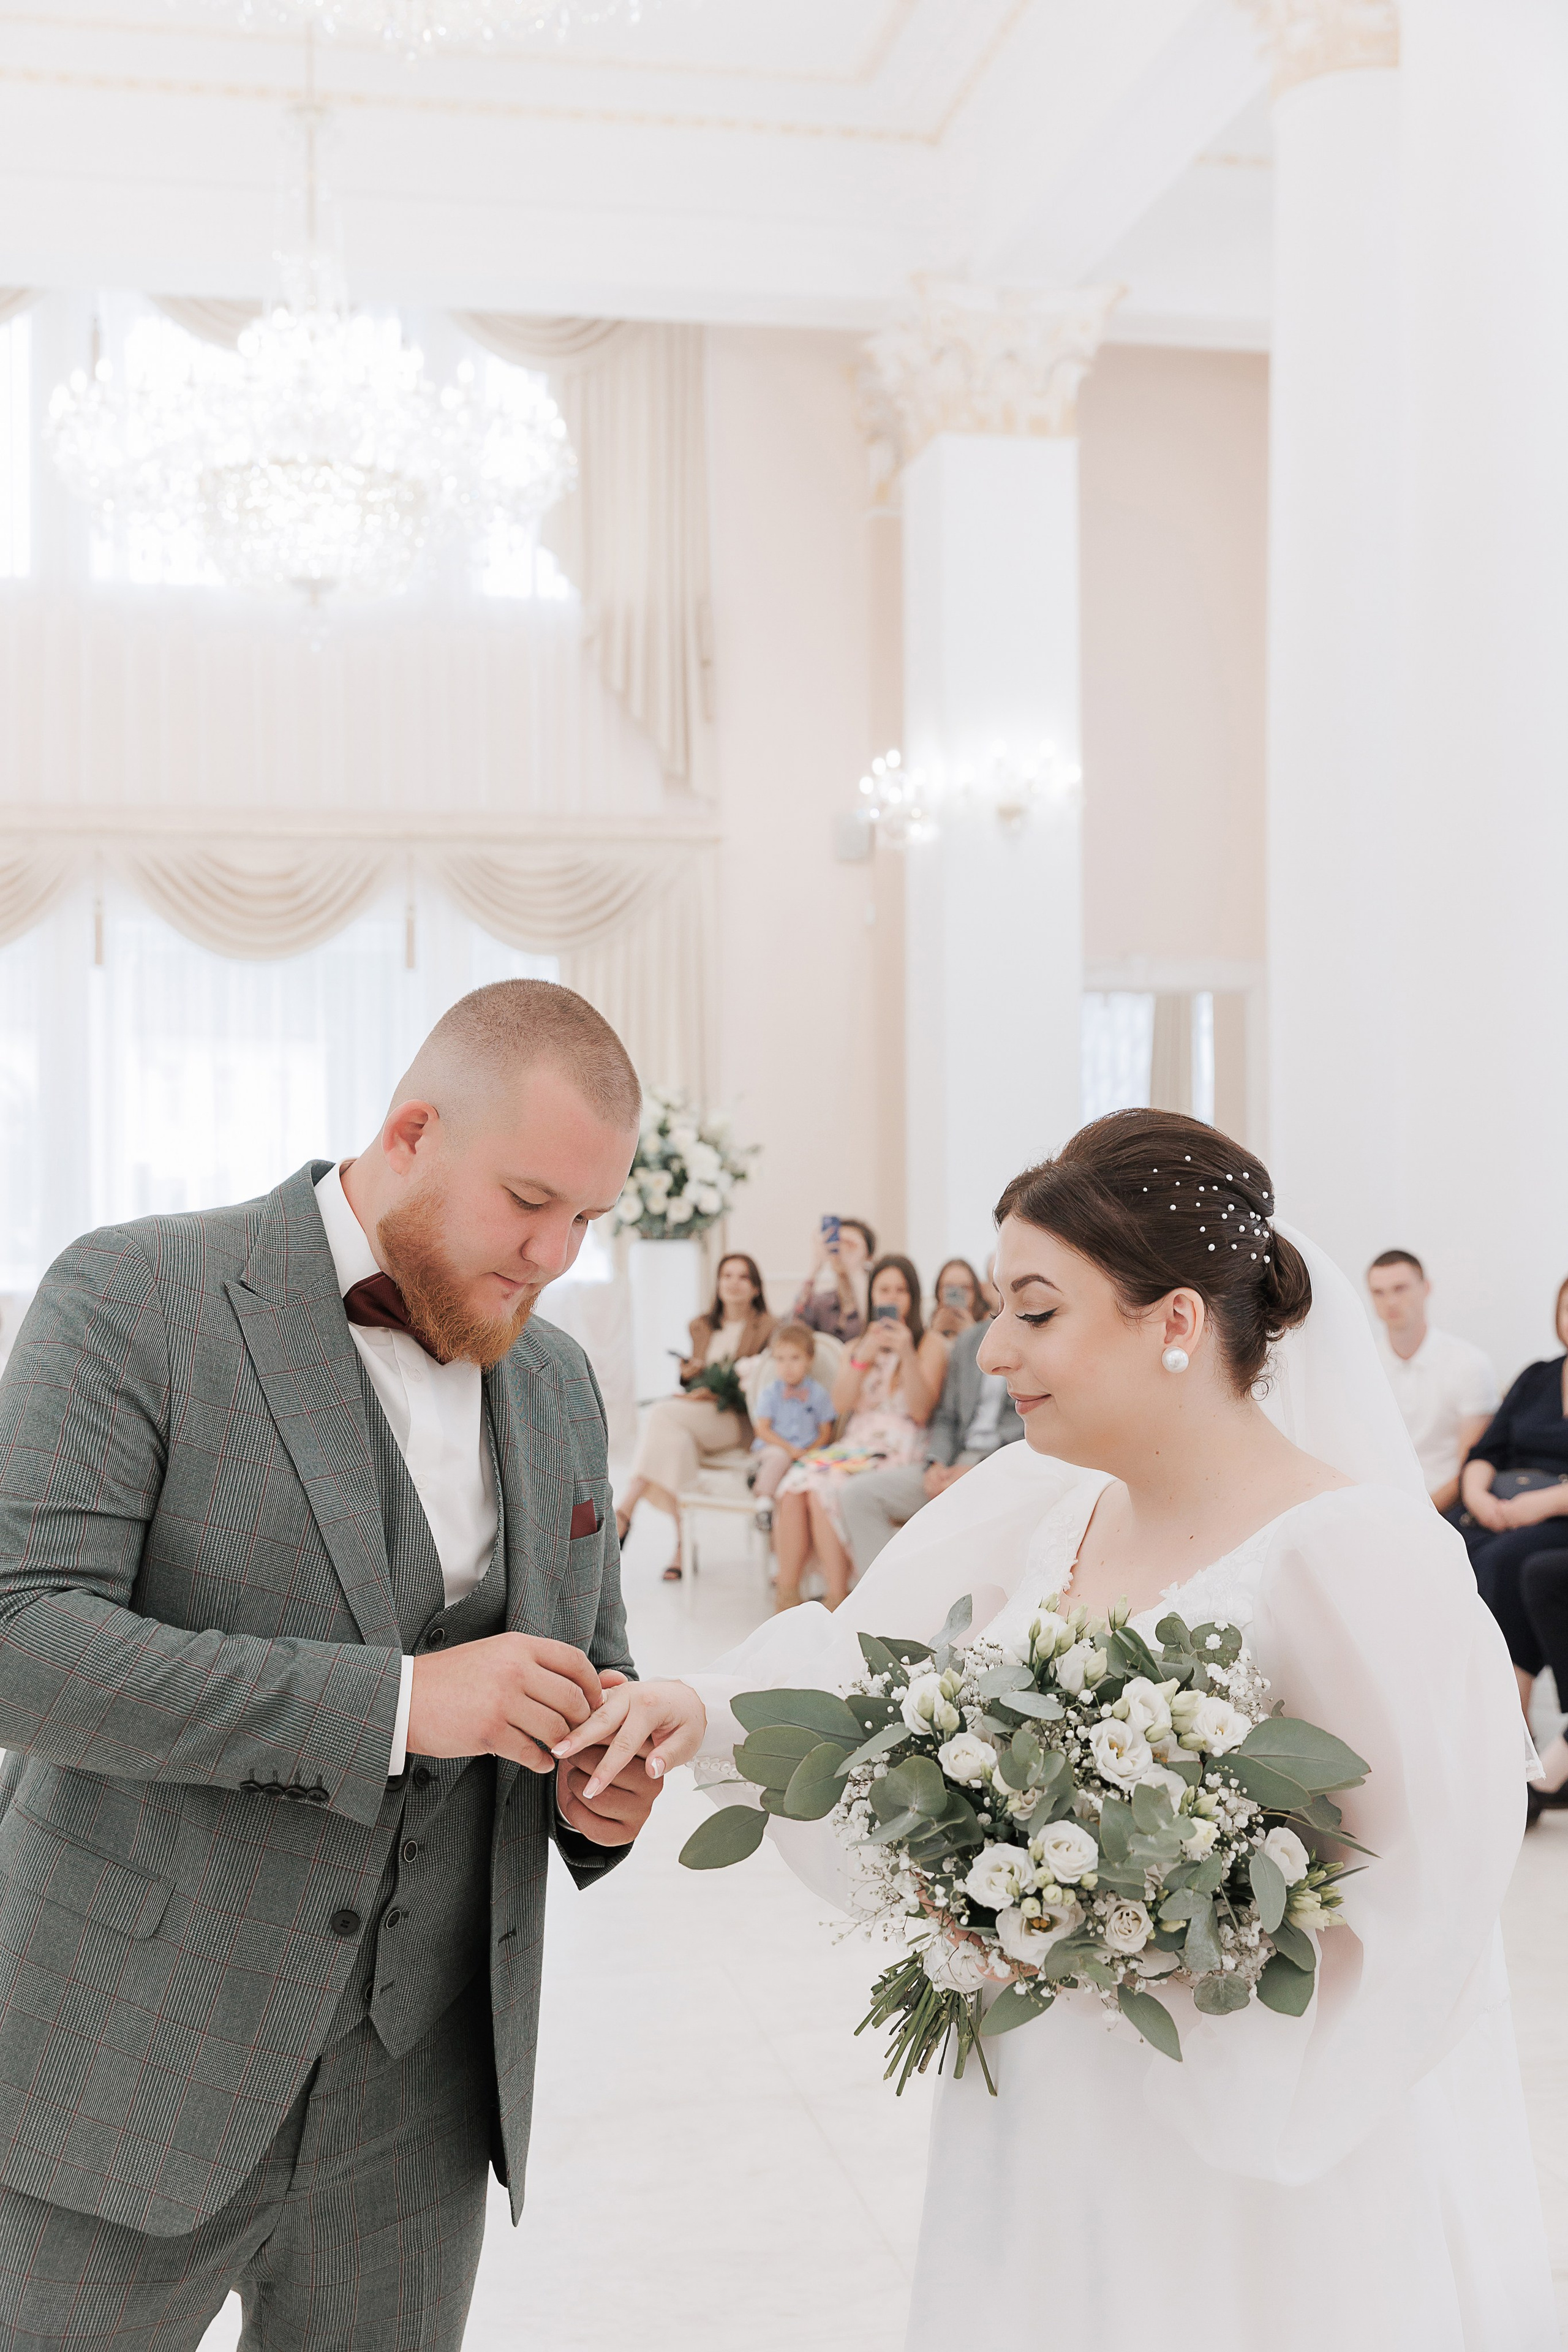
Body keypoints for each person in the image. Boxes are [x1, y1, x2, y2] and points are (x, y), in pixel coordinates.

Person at [562, 1108, 1553, 2352]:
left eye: (1034, 1312)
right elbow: (873, 1666)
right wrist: (701, 1710)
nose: (992, 1351)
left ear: (1175, 1321)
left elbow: (1426, 1881)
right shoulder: (1051, 1500)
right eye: (996, 1309)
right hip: (1031, 2097)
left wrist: (1153, 1945)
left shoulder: (1356, 1550)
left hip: (1234, 2135)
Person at [0, 980, 662, 2352]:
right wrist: (400, 1705)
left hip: (420, 2110)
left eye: (589, 1221)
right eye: (529, 1200)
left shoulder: (558, 1382)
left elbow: (587, 1661)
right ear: (411, 1133)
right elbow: (23, 1639)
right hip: (122, 2067)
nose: (553, 1256)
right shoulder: (136, 1293)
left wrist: (600, 1781)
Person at [772, 1254, 944, 1611]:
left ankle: (838, 1597)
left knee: (824, 1487)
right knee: (795, 1483)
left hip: (899, 1446)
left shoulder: (929, 1344)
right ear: (872, 1296)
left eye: (900, 1290)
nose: (892, 1298)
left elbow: (921, 1410)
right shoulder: (857, 1346)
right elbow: (840, 1404)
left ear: (913, 1297)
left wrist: (906, 1353)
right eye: (884, 1290)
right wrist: (862, 1356)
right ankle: (787, 1594)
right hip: (854, 1443)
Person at [614, 1252, 774, 1581]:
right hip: (699, 1418)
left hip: (738, 1420)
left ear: (756, 1288)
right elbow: (697, 1380)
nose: (733, 1283)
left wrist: (714, 1393)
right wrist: (688, 1376)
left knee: (662, 1414)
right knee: (677, 1440)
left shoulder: (768, 1328)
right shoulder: (701, 1325)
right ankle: (683, 1546)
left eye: (743, 1277)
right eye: (727, 1276)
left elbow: (766, 1387)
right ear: (718, 1283)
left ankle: (625, 1510)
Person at [1455, 1275, 1568, 1717]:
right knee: (1446, 1542)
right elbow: (1486, 1451)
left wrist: (1543, 1504)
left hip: (1557, 1515)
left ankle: (1511, 1715)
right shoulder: (1537, 1376)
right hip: (1505, 1505)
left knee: (1502, 1560)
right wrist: (1476, 1496)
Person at [837, 1313, 1024, 1575]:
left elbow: (1031, 1429)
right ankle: (884, 1593)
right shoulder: (970, 1341)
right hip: (954, 1459)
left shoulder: (1034, 1338)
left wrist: (980, 1467)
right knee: (857, 1494)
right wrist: (936, 1462)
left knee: (969, 1505)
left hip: (1005, 1463)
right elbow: (946, 1417)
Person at [1367, 1248, 1499, 1511]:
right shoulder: (1365, 1365)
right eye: (1379, 1292)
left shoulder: (1470, 1364)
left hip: (1446, 1507)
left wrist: (1422, 1516)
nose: (1390, 1301)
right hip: (1378, 1503)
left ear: (1426, 1288)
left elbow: (1471, 1466)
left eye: (1400, 1289)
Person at [749, 1321, 837, 1517]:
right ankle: (764, 1500)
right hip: (774, 1448)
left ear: (810, 1359)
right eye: (780, 1359)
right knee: (779, 1458)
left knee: (820, 1468)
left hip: (806, 1450)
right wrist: (789, 1450)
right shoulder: (770, 1394)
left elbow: (826, 1432)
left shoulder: (819, 1394)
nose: (787, 1366)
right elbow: (762, 1430)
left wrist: (808, 1452)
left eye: (795, 1358)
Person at [791, 1216, 875, 1342]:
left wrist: (855, 1269)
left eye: (850, 1245)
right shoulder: (822, 1303)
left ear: (869, 1256)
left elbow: (871, 1327)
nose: (842, 1250)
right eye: (837, 1242)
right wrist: (815, 1267)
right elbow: (793, 1332)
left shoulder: (877, 1297)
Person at [927, 1257, 988, 1348]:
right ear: (938, 1292)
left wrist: (972, 1332)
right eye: (949, 1288)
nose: (957, 1294)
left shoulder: (988, 1326)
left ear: (976, 1292)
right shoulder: (927, 1324)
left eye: (965, 1288)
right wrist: (933, 1334)